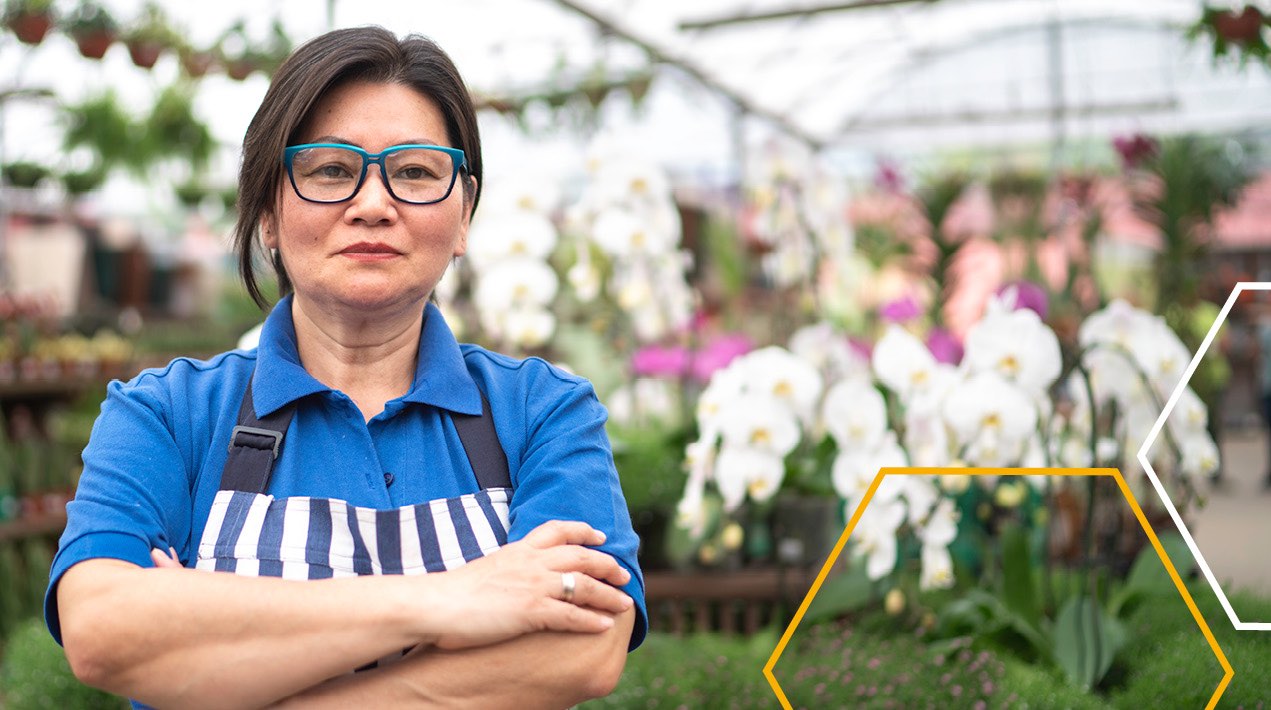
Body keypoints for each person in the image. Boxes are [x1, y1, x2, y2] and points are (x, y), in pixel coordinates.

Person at [47, 26, 645, 708]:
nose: (372, 204)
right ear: (267, 212)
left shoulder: (540, 411)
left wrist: (211, 633)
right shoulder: (167, 413)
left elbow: (584, 647)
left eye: (416, 172)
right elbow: (100, 627)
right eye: (330, 170)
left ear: (464, 216)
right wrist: (448, 599)